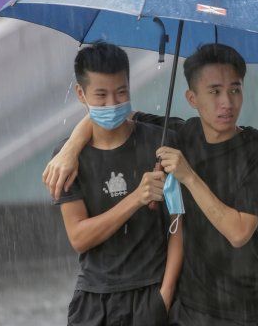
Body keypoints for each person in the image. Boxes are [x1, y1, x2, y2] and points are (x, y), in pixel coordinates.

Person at [45, 44, 258, 326]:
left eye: (235, 90)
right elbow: (114, 117)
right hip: (186, 309)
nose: (227, 103)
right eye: (214, 91)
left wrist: (188, 176)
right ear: (192, 98)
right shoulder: (181, 135)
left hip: (241, 309)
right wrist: (70, 148)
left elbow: (239, 233)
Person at [51, 43, 182, 326]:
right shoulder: (69, 160)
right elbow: (79, 238)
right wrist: (136, 198)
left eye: (121, 92)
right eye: (101, 95)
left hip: (150, 291)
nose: (113, 104)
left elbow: (178, 225)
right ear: (80, 94)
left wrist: (165, 294)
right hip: (94, 300)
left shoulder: (159, 143)